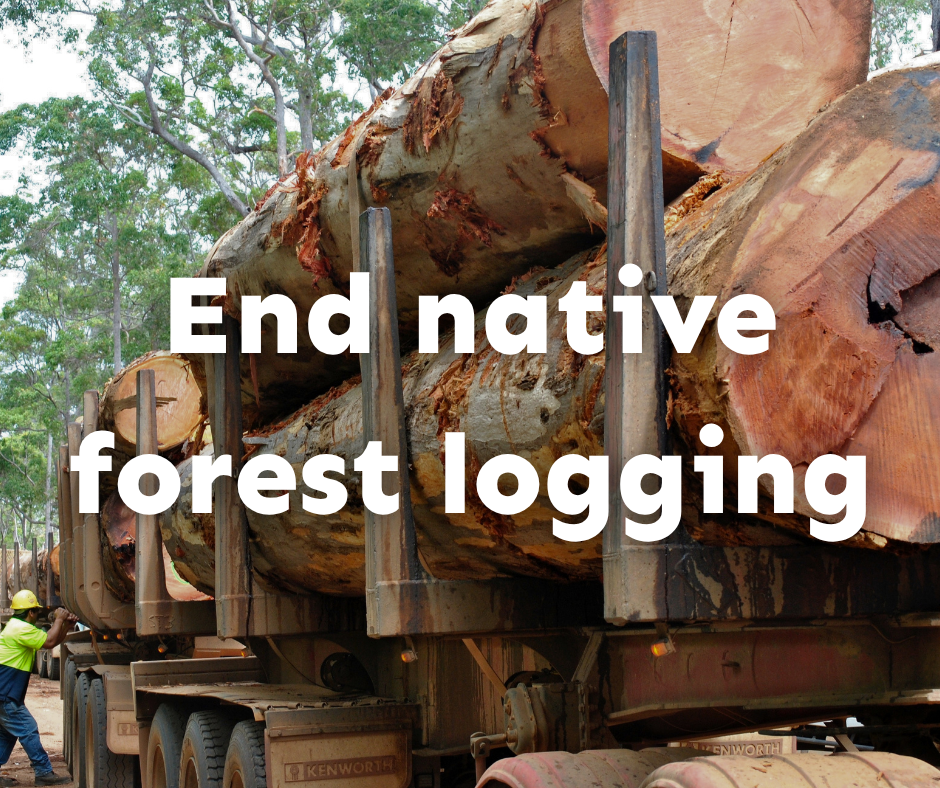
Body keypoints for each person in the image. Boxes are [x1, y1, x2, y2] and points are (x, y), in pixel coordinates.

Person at [0, 590, 77, 786]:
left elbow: (49, 643)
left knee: (7, 734)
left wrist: (65, 626)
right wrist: (59, 619)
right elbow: (50, 641)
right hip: (6, 695)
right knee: (28, 728)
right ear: (31, 613)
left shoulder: (16, 627)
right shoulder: (21, 629)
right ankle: (43, 772)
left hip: (5, 693)